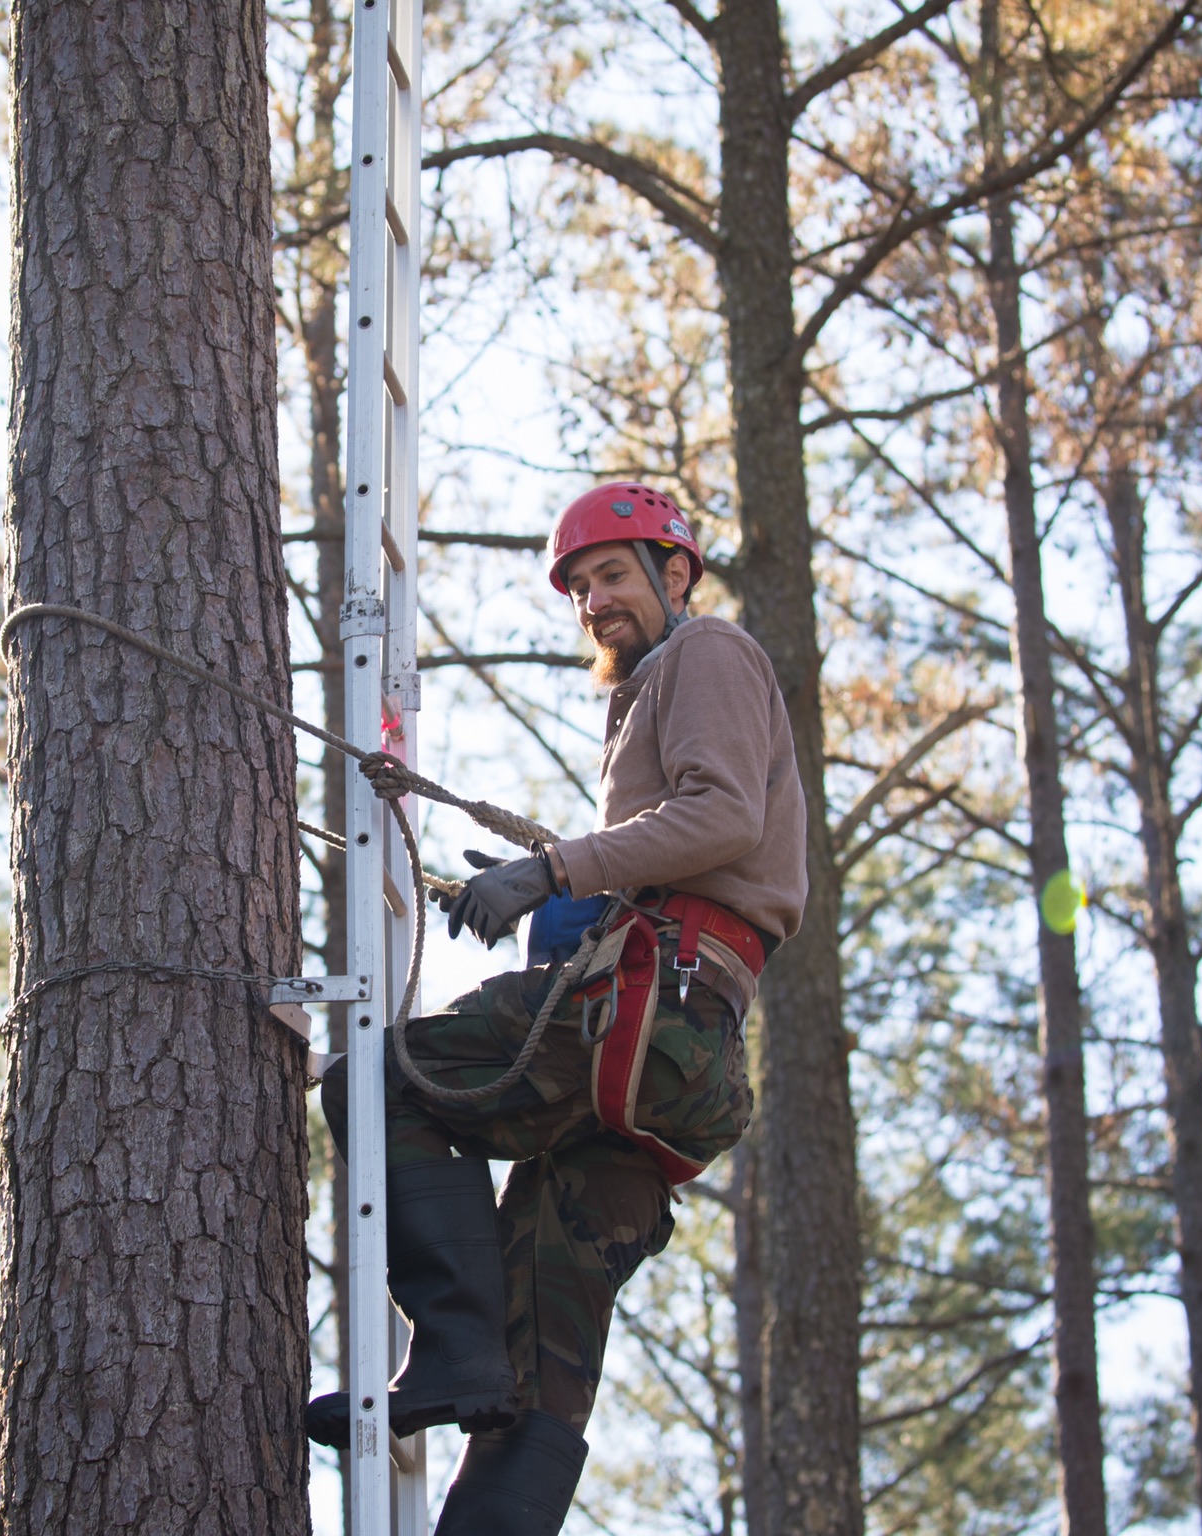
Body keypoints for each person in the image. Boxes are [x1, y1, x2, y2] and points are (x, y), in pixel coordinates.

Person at [307, 482, 808, 1534]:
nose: (594, 602)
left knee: (384, 1083)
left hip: (645, 1015)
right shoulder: (652, 694)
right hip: (678, 1056)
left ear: (676, 574)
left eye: (613, 575)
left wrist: (552, 871)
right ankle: (475, 1392)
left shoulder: (706, 656)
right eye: (580, 587)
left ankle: (450, 1341)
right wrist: (568, 893)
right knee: (542, 1366)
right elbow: (695, 850)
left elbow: (720, 816)